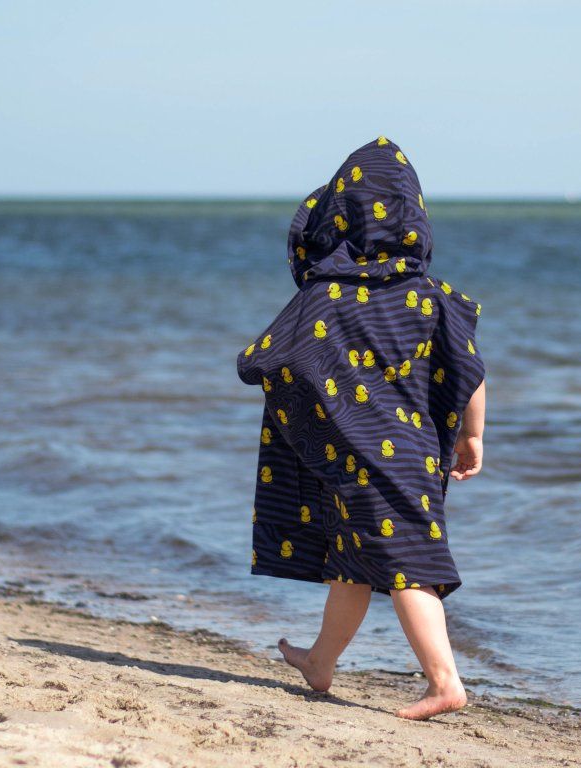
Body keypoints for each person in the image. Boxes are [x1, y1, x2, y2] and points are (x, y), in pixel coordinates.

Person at [237, 137, 486, 719]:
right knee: (351, 563)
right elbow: (472, 373)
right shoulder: (433, 298)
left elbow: (266, 358)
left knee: (409, 570)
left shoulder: (326, 298)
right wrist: (472, 436)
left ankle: (444, 681)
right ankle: (320, 661)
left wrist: (318, 407)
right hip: (416, 456)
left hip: (359, 456)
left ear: (337, 218)